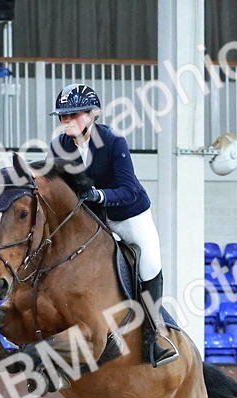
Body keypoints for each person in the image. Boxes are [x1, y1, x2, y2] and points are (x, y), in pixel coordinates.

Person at [50, 83, 179, 368]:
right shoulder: (60, 147)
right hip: (94, 220)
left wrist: (99, 195)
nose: (67, 121)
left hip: (129, 215)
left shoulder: (112, 141)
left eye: (74, 115)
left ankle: (152, 339)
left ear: (92, 114)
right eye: (63, 116)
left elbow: (129, 189)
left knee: (150, 265)